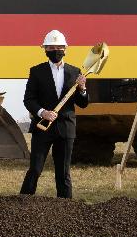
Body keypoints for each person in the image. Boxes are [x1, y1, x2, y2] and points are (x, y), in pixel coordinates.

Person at [19, 29, 88, 199]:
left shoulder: (75, 72)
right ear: (45, 50)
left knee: (63, 172)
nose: (55, 51)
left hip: (66, 128)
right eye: (51, 47)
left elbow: (83, 103)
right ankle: (21, 205)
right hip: (42, 128)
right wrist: (43, 113)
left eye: (59, 47)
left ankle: (65, 210)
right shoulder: (36, 71)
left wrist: (83, 89)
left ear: (65, 49)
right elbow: (29, 100)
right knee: (35, 169)